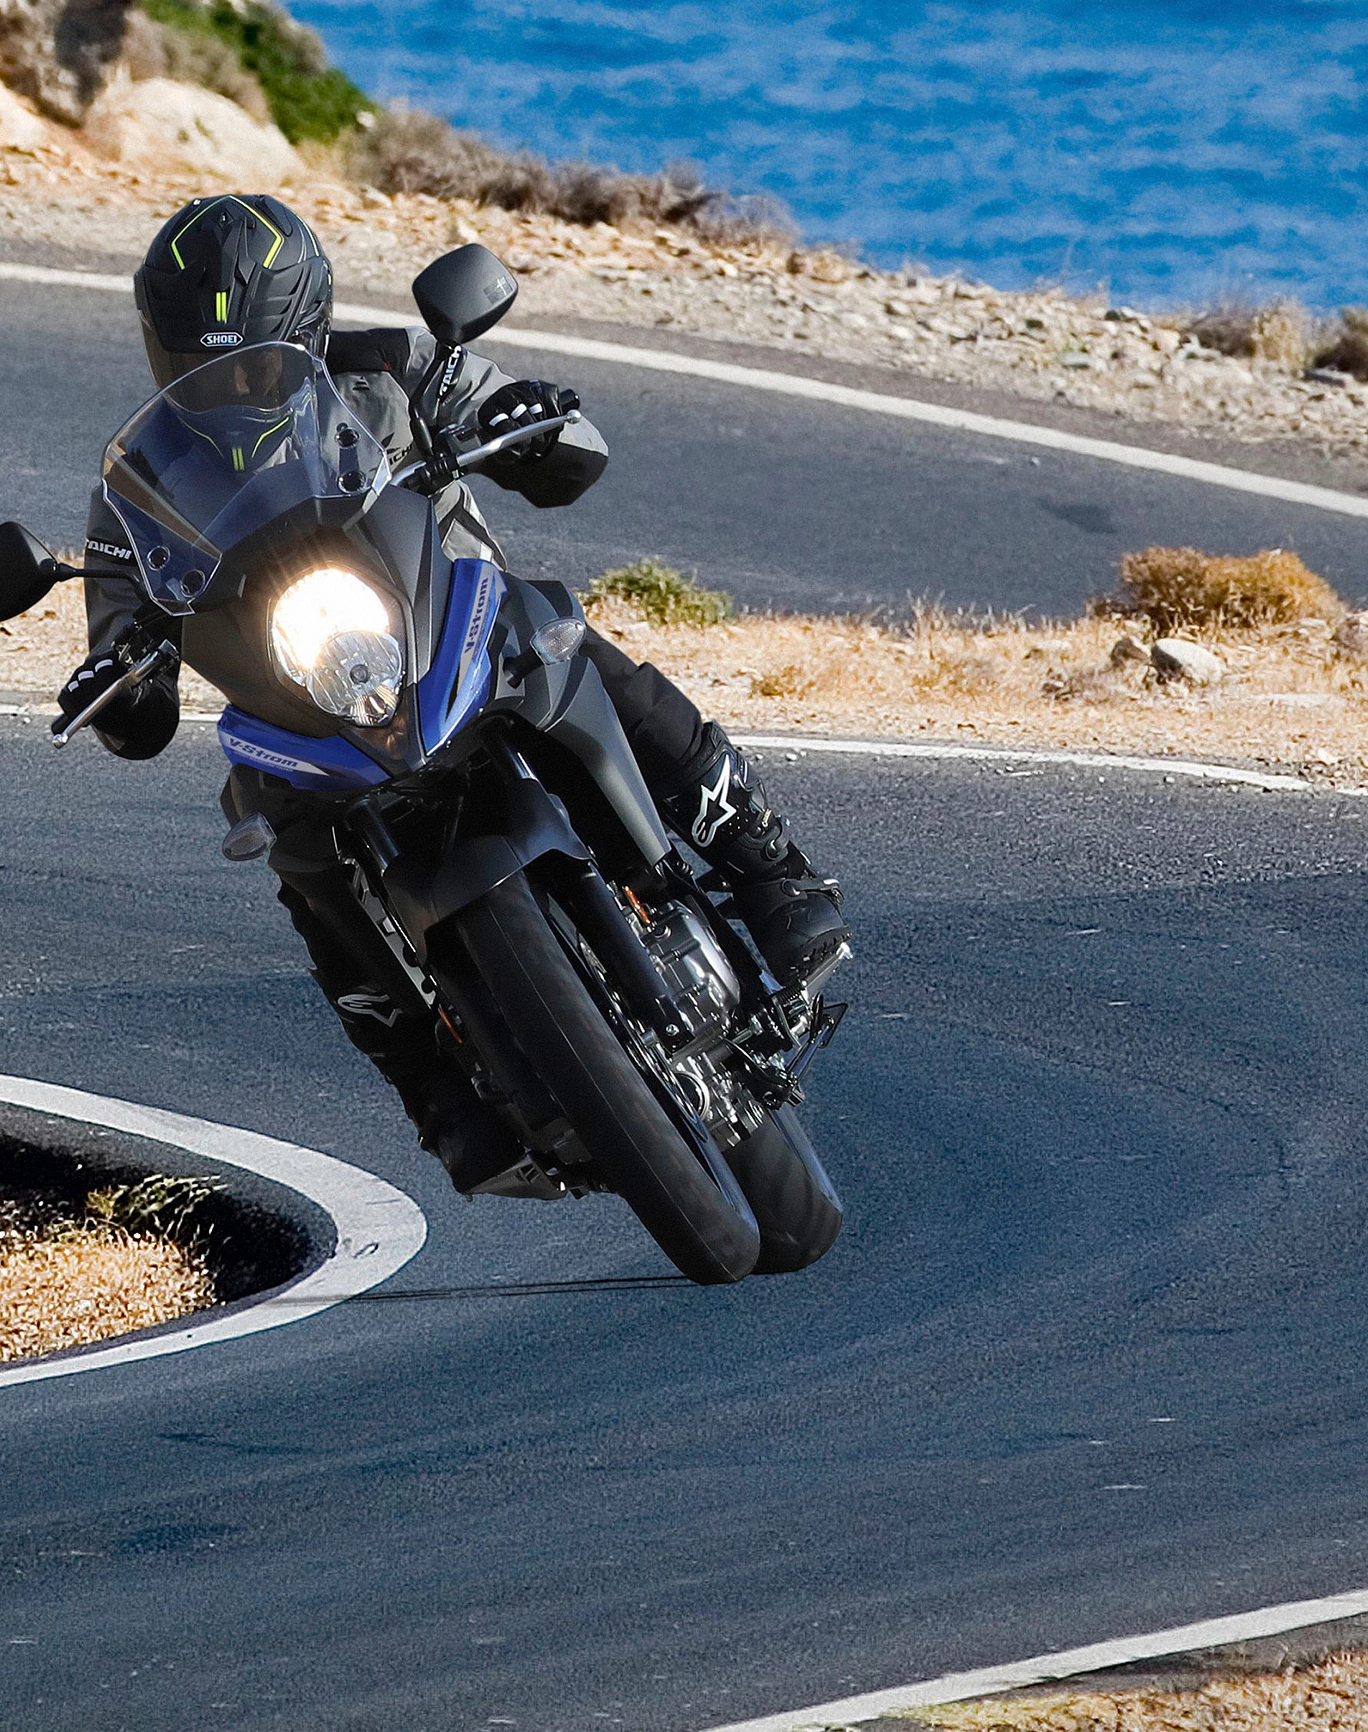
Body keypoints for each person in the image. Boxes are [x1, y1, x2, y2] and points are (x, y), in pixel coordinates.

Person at [62, 193, 847, 1192]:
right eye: (196, 363)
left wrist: (531, 421)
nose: (227, 385)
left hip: (459, 626)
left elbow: (569, 448)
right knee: (290, 845)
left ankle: (770, 871)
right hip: (310, 698)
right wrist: (118, 673)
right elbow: (123, 650)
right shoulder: (136, 491)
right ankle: (439, 1095)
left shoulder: (391, 368)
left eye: (252, 360)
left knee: (572, 642)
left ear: (301, 329)